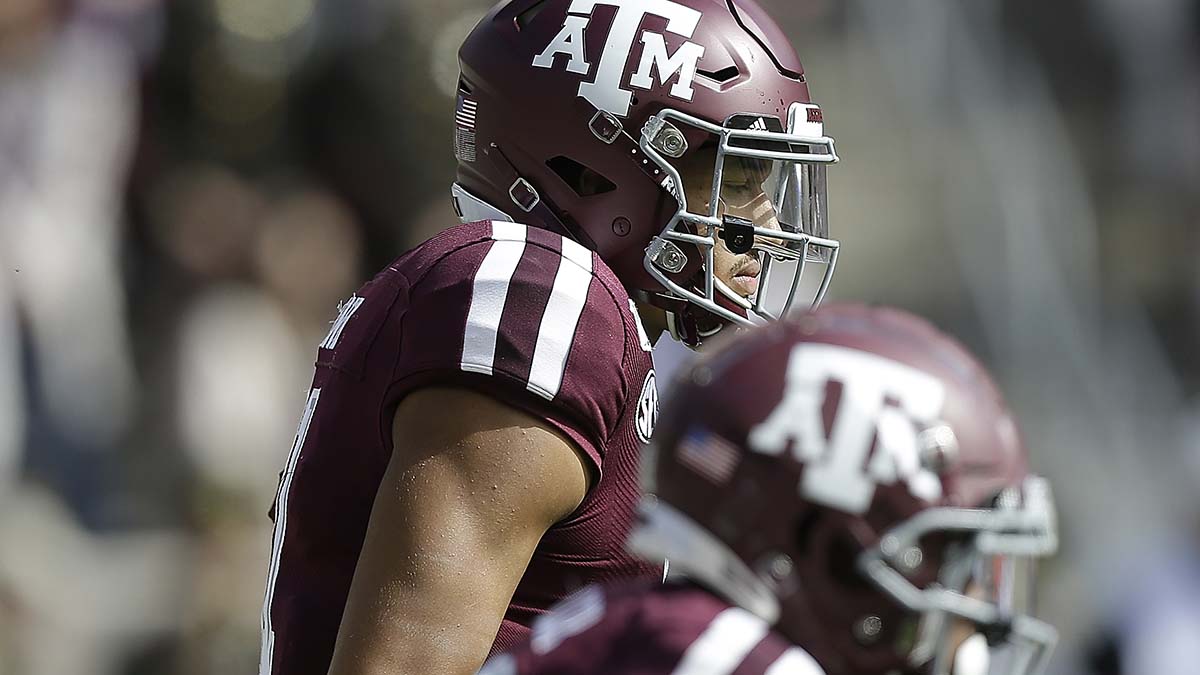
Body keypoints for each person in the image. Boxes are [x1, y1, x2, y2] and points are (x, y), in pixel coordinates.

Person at [257, 0, 840, 673]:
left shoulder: (592, 321)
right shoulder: (540, 290)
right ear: (595, 168)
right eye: (737, 177)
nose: (764, 223)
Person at [479, 304, 1060, 675]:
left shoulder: (651, 625)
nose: (979, 606)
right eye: (951, 559)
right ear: (837, 553)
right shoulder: (722, 661)